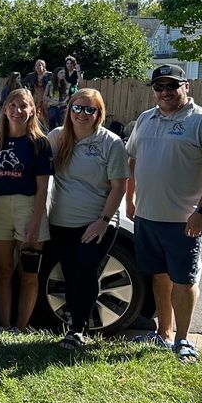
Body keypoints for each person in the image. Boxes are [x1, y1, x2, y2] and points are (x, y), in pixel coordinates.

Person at [126, 64, 202, 363]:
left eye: (172, 85)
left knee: (183, 280)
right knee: (160, 276)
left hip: (184, 221)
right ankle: (164, 333)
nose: (165, 92)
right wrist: (131, 200)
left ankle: (183, 340)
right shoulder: (146, 119)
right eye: (159, 87)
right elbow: (132, 161)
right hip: (147, 216)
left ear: (187, 86)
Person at [46, 89, 128, 349]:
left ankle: (78, 330)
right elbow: (34, 165)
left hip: (96, 222)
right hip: (60, 221)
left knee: (84, 270)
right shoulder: (57, 137)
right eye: (77, 108)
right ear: (69, 110)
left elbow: (119, 186)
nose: (82, 114)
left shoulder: (110, 143)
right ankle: (74, 323)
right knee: (70, 274)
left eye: (89, 109)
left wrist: (103, 220)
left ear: (98, 114)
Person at [0, 88, 53, 333]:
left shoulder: (40, 144)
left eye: (23, 106)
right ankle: (5, 325)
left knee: (29, 272)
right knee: (3, 270)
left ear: (32, 109)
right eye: (12, 106)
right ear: (4, 110)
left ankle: (21, 327)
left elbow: (43, 186)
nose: (17, 111)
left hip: (29, 206)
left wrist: (36, 220)